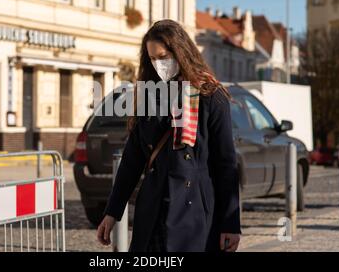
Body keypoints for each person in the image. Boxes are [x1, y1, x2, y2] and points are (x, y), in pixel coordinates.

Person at [97, 19, 241, 252]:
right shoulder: (148, 95)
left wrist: (231, 223)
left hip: (194, 212)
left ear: (180, 52)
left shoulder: (212, 96)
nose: (158, 65)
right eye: (153, 59)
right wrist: (112, 212)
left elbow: (225, 165)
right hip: (153, 211)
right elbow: (132, 160)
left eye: (163, 57)